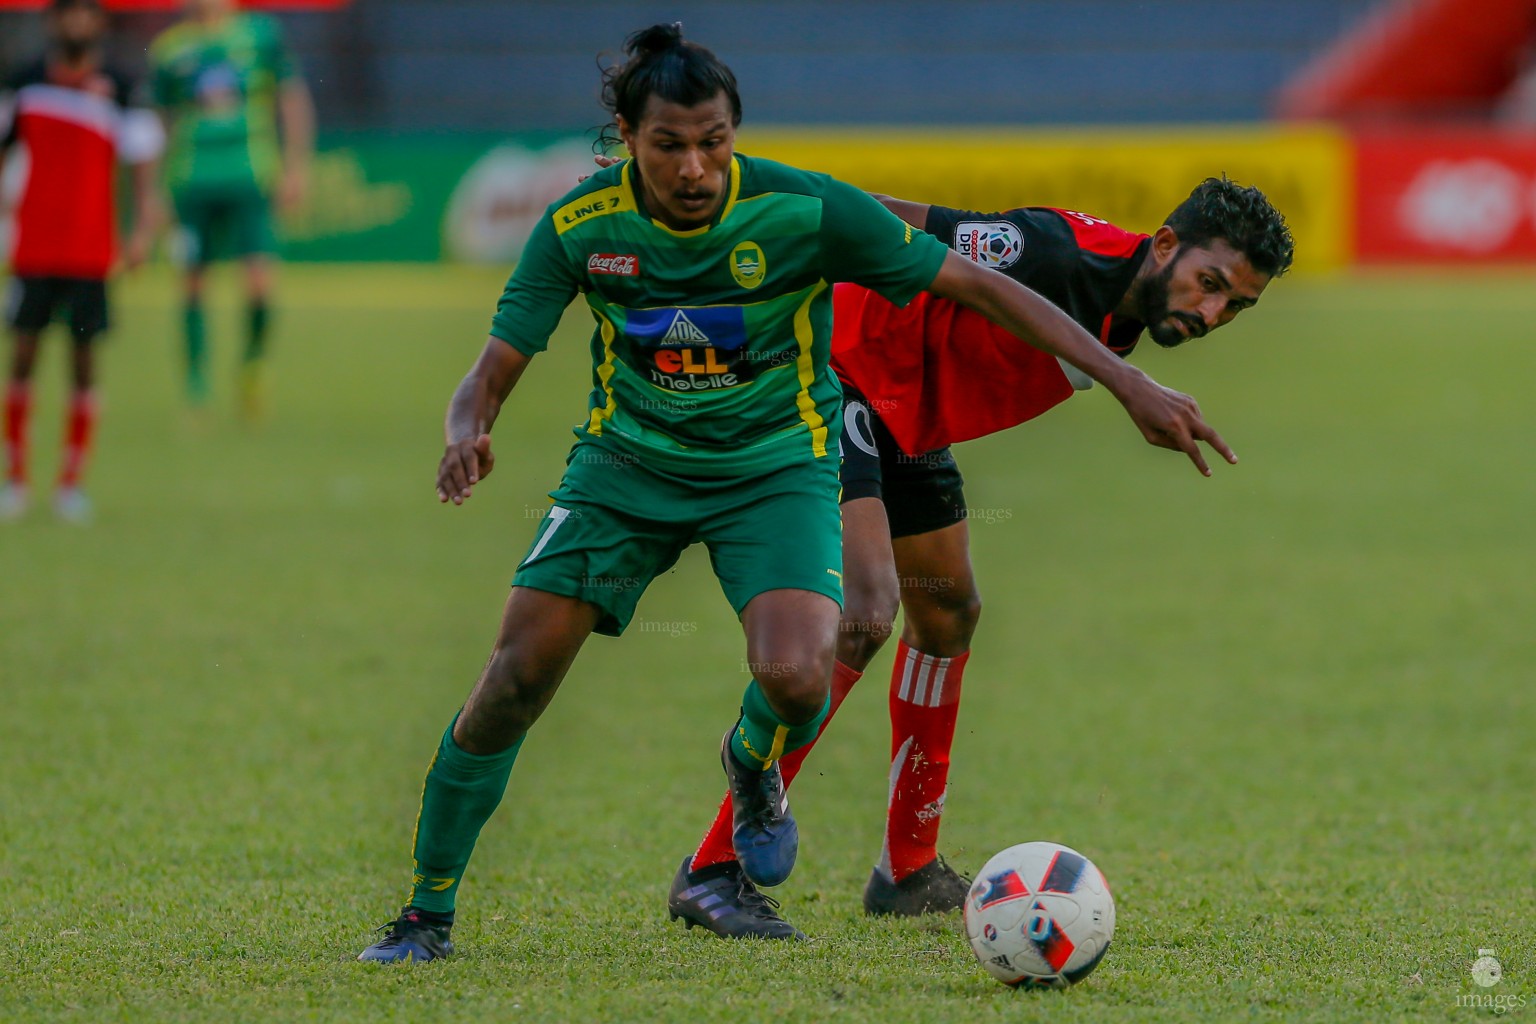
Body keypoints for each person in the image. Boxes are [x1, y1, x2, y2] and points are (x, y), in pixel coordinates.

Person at [357, 23, 1234, 962]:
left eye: (714, 142)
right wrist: (467, 431)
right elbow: (493, 366)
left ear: (735, 132)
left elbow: (970, 283)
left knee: (818, 666)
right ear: (625, 136)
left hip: (776, 467)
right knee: (513, 681)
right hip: (626, 470)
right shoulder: (580, 223)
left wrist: (1129, 383)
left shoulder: (801, 209)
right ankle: (425, 913)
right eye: (669, 145)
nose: (695, 167)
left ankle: (769, 773)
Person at [666, 180, 1294, 938]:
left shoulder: (1129, 306)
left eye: (1236, 306)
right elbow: (895, 222)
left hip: (909, 412)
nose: (1212, 313)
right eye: (1211, 284)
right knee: (865, 611)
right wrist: (737, 206)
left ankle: (907, 869)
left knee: (948, 611)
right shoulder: (1053, 250)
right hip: (837, 370)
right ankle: (711, 869)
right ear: (1164, 245)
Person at [0, 0, 163, 524]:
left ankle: (71, 482)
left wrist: (141, 231)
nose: (77, 23)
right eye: (67, 13)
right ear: (53, 22)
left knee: (84, 361)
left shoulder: (121, 84)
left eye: (85, 13)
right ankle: (17, 478)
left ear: (99, 22)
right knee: (23, 357)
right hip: (33, 248)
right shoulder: (23, 81)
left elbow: (142, 166)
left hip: (92, 252)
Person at [148, 0, 312, 418]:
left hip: (250, 176)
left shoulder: (261, 34)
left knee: (259, 283)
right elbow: (161, 121)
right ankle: (196, 383)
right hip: (191, 181)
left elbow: (291, 98)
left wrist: (296, 166)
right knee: (191, 283)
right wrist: (156, 189)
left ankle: (252, 365)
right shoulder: (169, 49)